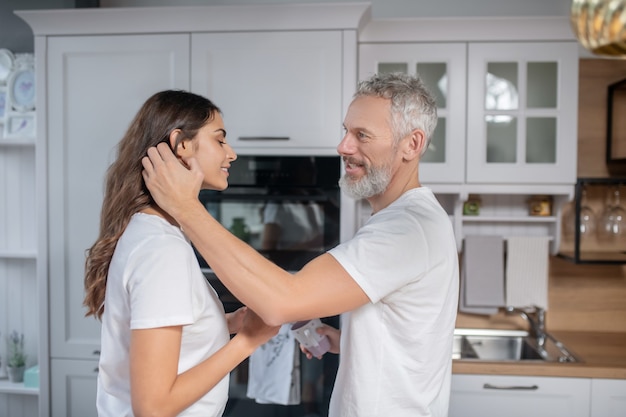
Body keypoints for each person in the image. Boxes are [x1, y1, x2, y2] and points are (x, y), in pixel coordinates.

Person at [141, 73, 460, 417]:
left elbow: (283, 302)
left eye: (361, 135)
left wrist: (185, 207)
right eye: (346, 131)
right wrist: (349, 343)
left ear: (412, 145)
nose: (343, 147)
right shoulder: (407, 219)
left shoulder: (406, 229)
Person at [83, 90, 279, 417]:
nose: (231, 154)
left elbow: (167, 339)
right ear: (182, 144)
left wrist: (227, 322)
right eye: (219, 140)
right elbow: (154, 407)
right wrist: (247, 341)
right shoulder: (162, 249)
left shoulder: (154, 232)